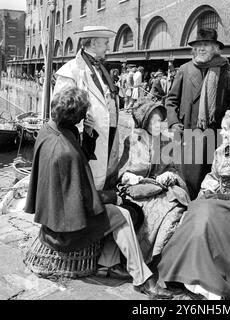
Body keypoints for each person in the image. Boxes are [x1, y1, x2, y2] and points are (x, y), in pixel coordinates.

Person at [24, 87, 173, 300]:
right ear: (77, 117)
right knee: (123, 214)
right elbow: (85, 200)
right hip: (65, 233)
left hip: (53, 217)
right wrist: (114, 196)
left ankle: (109, 265)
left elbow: (76, 165)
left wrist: (88, 134)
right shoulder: (66, 152)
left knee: (118, 210)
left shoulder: (50, 130)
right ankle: (143, 279)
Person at [158, 111, 230, 300]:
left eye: (227, 130)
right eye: (223, 129)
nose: (222, 134)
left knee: (208, 219)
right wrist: (205, 193)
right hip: (214, 201)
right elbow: (213, 177)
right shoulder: (221, 152)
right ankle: (185, 275)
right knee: (197, 213)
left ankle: (208, 284)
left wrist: (226, 196)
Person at [165, 28, 230, 199]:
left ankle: (202, 208)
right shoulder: (184, 69)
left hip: (215, 134)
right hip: (188, 132)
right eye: (198, 45)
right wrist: (173, 122)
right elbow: (171, 100)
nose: (201, 48)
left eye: (206, 45)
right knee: (187, 176)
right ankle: (187, 208)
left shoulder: (226, 70)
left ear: (215, 48)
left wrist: (228, 128)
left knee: (210, 178)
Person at [118, 97, 190, 266]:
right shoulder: (132, 140)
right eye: (154, 122)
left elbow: (174, 168)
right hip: (138, 192)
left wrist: (169, 175)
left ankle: (163, 261)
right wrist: (129, 177)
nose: (159, 125)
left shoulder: (167, 142)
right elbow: (120, 170)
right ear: (144, 122)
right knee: (144, 214)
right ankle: (143, 259)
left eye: (160, 121)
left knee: (176, 209)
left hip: (162, 190)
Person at [53, 26, 120, 190]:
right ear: (95, 43)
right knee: (84, 184)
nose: (108, 47)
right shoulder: (71, 70)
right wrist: (84, 129)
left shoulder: (99, 69)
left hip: (104, 135)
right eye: (105, 43)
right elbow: (60, 110)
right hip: (85, 141)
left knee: (100, 179)